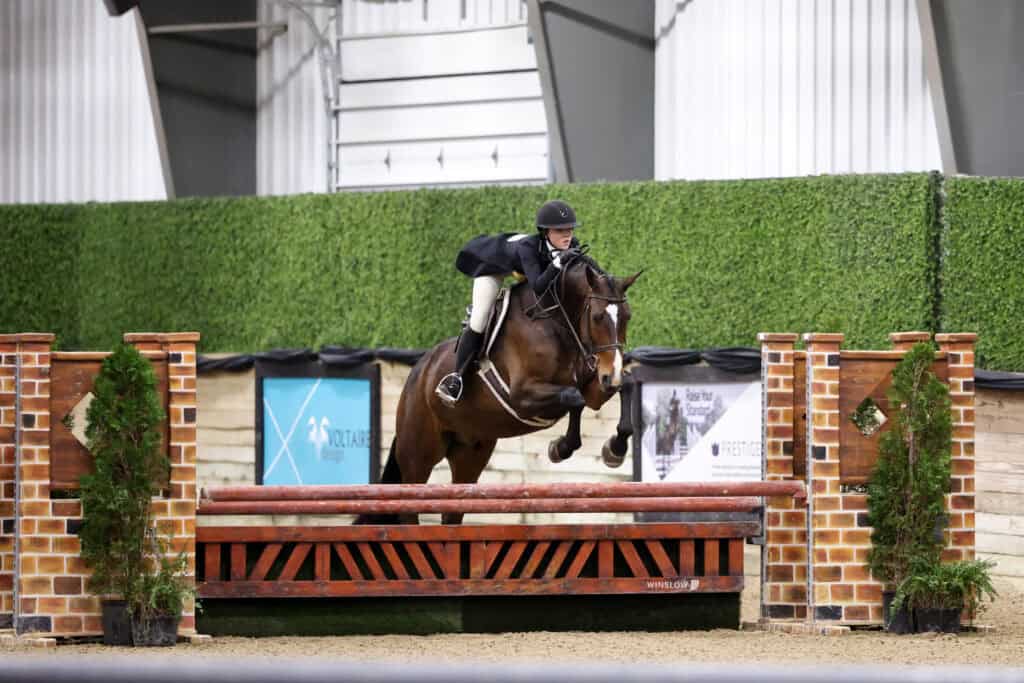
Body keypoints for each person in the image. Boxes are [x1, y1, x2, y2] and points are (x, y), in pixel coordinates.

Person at [434, 199, 583, 406]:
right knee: (480, 316)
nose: (567, 235)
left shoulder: (569, 244)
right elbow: (539, 285)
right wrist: (558, 262)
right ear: (545, 232)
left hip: (523, 268)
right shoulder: (528, 248)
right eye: (560, 230)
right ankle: (456, 378)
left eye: (570, 229)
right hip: (493, 267)